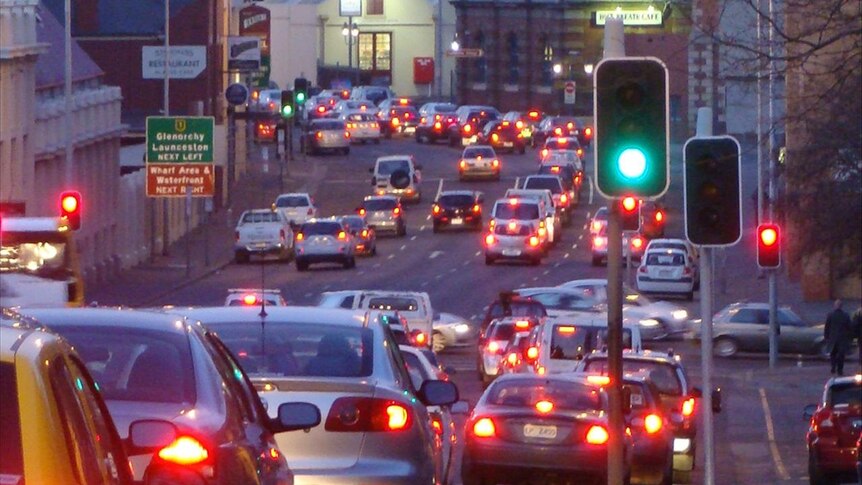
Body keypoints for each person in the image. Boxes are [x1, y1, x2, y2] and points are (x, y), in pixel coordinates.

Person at [824, 299, 852, 375]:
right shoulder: (845, 315)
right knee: (841, 355)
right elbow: (849, 327)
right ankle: (840, 370)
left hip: (832, 337)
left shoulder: (830, 315)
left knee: (832, 353)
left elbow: (827, 327)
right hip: (842, 339)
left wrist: (826, 336)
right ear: (841, 306)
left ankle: (833, 367)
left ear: (835, 306)